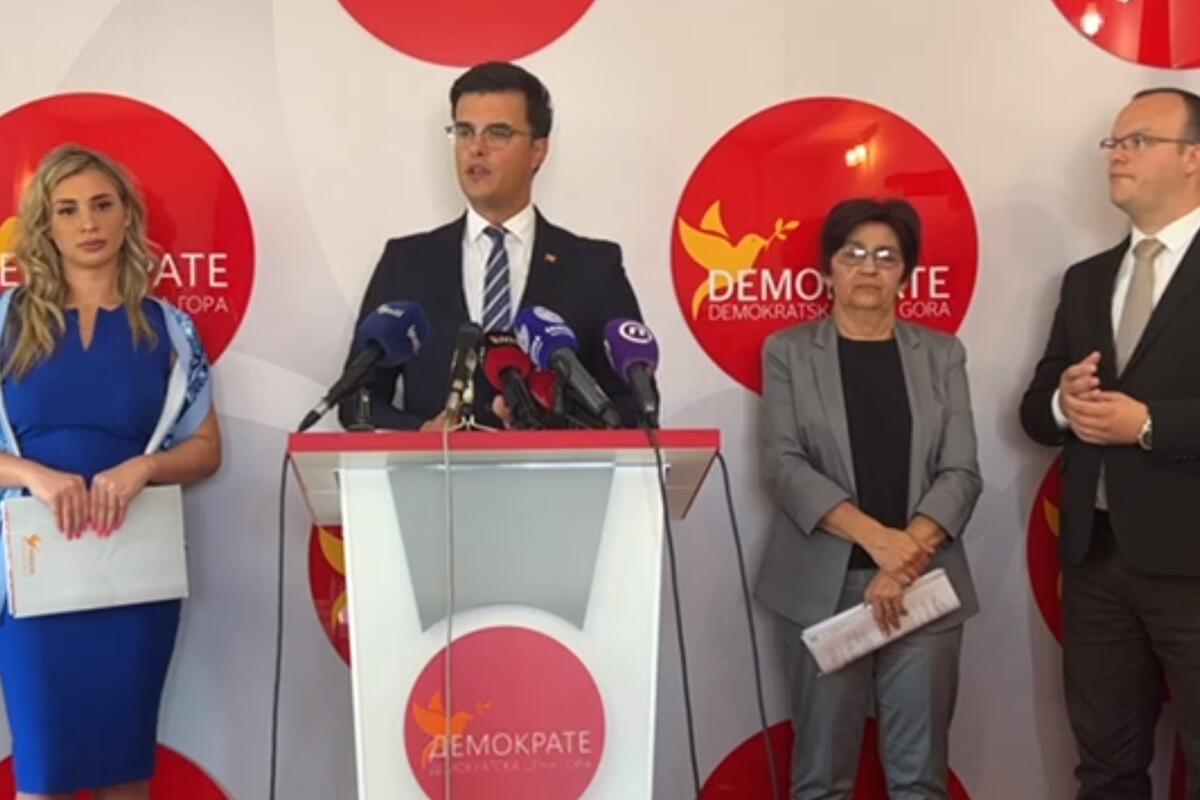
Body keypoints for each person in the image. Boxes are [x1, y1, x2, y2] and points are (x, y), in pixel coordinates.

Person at [0, 144, 221, 800]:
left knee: (125, 773)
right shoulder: (7, 320)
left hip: (132, 574)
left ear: (128, 215)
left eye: (102, 205)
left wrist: (146, 468)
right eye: (67, 210)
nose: (88, 223)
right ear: (46, 226)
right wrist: (30, 474)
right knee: (44, 774)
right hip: (32, 579)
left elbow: (206, 449)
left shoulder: (170, 330)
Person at [755, 198, 982, 799]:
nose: (868, 268)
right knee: (822, 780)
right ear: (828, 267)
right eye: (853, 253)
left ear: (906, 276)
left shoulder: (942, 355)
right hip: (821, 591)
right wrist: (882, 544)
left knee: (920, 780)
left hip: (923, 590)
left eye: (886, 257)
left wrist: (903, 564)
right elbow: (783, 466)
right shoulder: (787, 352)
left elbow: (961, 471)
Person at [1020, 87, 1200, 799]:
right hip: (1096, 563)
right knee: (1105, 769)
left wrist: (1149, 424)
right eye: (1114, 144)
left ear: (1193, 158)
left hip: (1193, 565)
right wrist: (1063, 405)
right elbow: (1035, 411)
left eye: (1138, 141)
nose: (1117, 156)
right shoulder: (1087, 280)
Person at [338, 61, 645, 431]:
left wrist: (551, 426)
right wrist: (420, 435)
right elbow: (357, 400)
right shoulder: (406, 263)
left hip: (556, 468)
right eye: (464, 131)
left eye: (498, 133)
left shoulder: (594, 267)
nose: (476, 148)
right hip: (434, 467)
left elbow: (632, 405)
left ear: (538, 149)